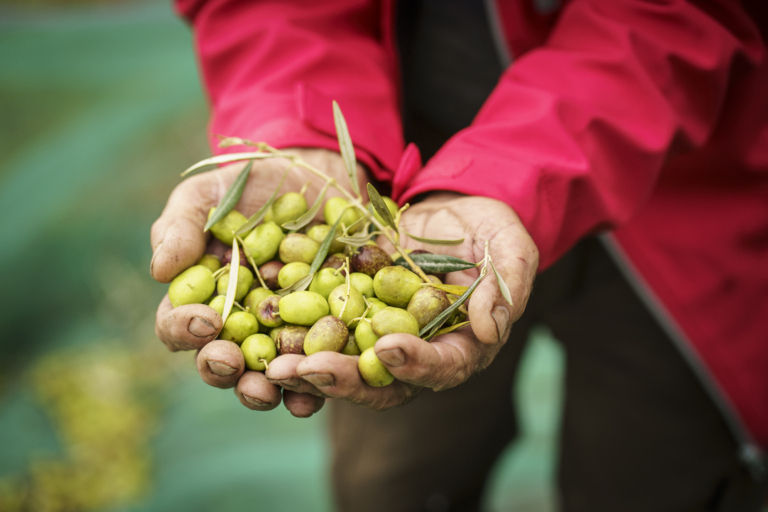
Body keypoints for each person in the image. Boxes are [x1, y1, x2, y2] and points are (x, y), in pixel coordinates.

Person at [151, 0, 768, 510]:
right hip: (399, 201)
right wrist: (297, 130)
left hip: (674, 207)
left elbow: (677, 19)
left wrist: (506, 177)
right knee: (394, 485)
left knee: (653, 480)